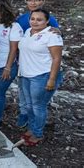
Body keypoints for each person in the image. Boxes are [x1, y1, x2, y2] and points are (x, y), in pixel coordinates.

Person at [18, 9, 63, 146]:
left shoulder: (52, 35)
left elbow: (56, 59)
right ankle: (32, 129)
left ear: (47, 21)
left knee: (38, 106)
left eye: (39, 19)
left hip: (42, 76)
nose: (35, 22)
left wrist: (52, 79)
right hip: (26, 75)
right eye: (33, 19)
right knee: (29, 105)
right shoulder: (28, 32)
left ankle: (38, 133)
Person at [16, 0, 59, 128]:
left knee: (37, 103)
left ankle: (36, 129)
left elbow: (56, 48)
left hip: (40, 69)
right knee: (24, 96)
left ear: (43, 1)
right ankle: (25, 116)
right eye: (30, 0)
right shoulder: (23, 21)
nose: (33, 3)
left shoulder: (51, 21)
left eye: (37, 0)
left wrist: (52, 78)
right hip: (24, 65)